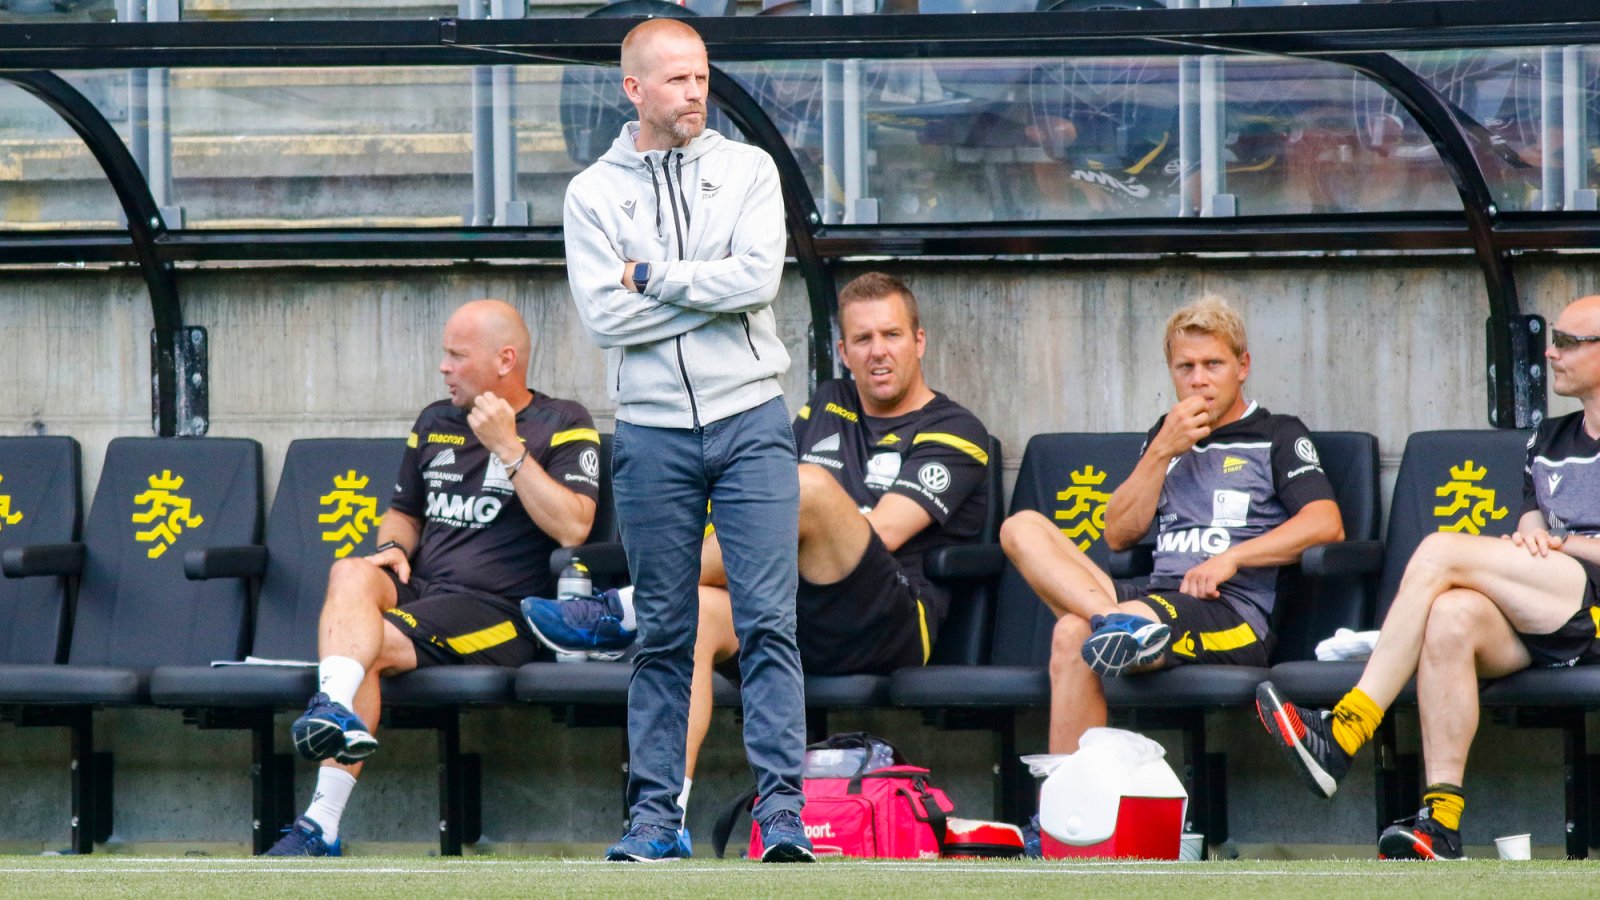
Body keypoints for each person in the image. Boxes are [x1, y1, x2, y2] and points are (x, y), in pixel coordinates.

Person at [526, 272, 991, 833]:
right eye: (862, 340)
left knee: (808, 490)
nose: (878, 352)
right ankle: (661, 821)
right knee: (689, 618)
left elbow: (886, 530)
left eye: (891, 335)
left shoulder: (955, 428)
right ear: (842, 352)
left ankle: (628, 604)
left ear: (919, 341)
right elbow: (754, 506)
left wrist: (801, 520)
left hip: (889, 621)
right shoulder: (827, 404)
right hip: (794, 611)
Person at [561, 18, 812, 863]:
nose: (695, 91)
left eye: (701, 75)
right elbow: (605, 317)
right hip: (651, 432)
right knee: (663, 631)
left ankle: (782, 816)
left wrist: (653, 277)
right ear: (633, 89)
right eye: (675, 80)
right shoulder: (592, 193)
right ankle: (653, 820)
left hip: (752, 420)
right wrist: (706, 291)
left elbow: (759, 280)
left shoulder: (749, 168)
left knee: (770, 622)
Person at [1257, 295, 1600, 861]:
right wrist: (1533, 535)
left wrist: (1560, 544)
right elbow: (1531, 521)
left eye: (1565, 342)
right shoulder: (1546, 440)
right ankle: (1440, 824)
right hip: (1550, 601)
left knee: (1440, 550)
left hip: (1587, 600)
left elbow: (1559, 544)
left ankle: (1346, 730)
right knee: (1449, 617)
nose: (1549, 351)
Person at [998, 295, 1343, 845]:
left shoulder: (1277, 433)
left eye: (1213, 365)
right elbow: (1118, 533)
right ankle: (1066, 822)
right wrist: (1161, 450)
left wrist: (1233, 556)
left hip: (1230, 612)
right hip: (1153, 599)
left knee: (1073, 631)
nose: (1199, 380)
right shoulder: (1166, 435)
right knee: (1021, 529)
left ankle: (1060, 824)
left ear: (1242, 366)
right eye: (1186, 367)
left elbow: (1326, 523)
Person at [267, 299, 601, 856]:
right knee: (351, 569)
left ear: (505, 360)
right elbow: (403, 511)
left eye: (455, 355)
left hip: (500, 612)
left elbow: (573, 528)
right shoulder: (434, 421)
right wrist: (395, 547)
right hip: (423, 590)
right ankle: (332, 707)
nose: (443, 368)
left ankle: (320, 822)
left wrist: (508, 449)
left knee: (365, 648)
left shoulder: (564, 421)